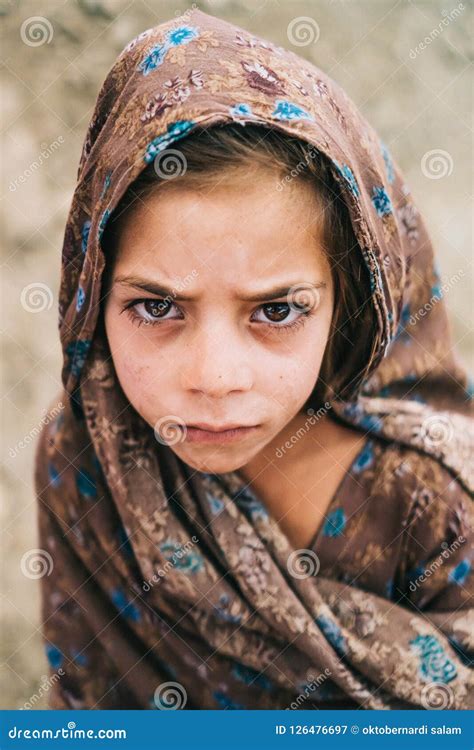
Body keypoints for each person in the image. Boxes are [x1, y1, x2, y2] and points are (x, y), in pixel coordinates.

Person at [34, 9, 473, 709]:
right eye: (156, 307)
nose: (214, 378)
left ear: (349, 305)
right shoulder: (90, 450)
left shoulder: (435, 502)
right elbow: (91, 703)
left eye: (275, 312)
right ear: (89, 292)